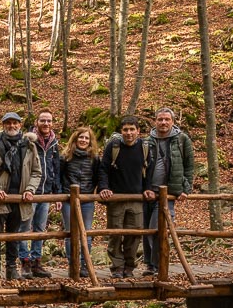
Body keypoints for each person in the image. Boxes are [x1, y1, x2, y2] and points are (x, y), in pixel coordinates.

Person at [0, 112, 42, 280]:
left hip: (20, 198)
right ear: (3, 124)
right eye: (8, 123)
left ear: (20, 125)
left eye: (15, 123)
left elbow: (36, 171)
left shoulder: (29, 145)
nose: (12, 126)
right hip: (0, 197)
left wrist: (30, 189)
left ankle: (11, 268)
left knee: (14, 235)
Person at [99, 116, 156, 279]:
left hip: (136, 198)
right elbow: (103, 169)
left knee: (135, 234)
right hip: (116, 198)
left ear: (138, 131)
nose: (129, 133)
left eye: (132, 129)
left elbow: (149, 171)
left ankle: (129, 266)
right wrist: (104, 187)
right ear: (121, 131)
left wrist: (148, 189)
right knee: (115, 234)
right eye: (125, 129)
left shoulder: (145, 147)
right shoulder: (113, 146)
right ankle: (117, 266)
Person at [143, 108, 195, 276]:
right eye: (160, 119)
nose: (163, 122)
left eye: (166, 119)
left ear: (173, 121)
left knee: (159, 229)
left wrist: (186, 188)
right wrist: (145, 188)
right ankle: (150, 265)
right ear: (155, 121)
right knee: (146, 230)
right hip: (149, 193)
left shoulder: (182, 139)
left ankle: (159, 266)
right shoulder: (147, 141)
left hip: (169, 194)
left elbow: (189, 165)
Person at [19, 109, 60, 278]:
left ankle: (36, 261)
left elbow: (56, 168)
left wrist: (57, 193)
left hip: (47, 191)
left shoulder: (54, 143)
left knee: (40, 228)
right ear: (37, 122)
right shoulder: (28, 141)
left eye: (49, 121)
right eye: (43, 120)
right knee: (24, 228)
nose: (46, 124)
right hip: (30, 191)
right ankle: (25, 261)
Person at [59, 126, 103, 277]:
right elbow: (59, 176)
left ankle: (84, 264)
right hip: (67, 199)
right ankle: (73, 263)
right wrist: (59, 195)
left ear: (90, 141)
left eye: (86, 138)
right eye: (81, 137)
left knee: (87, 233)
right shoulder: (66, 157)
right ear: (75, 139)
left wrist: (92, 192)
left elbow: (97, 176)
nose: (83, 140)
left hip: (87, 199)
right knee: (71, 232)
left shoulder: (94, 158)